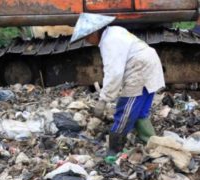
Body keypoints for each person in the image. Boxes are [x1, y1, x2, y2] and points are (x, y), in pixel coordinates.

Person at [70, 13, 165, 156]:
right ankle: (152, 143)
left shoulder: (109, 41)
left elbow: (114, 73)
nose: (88, 41)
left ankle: (114, 149)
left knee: (125, 109)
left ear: (95, 31)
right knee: (140, 110)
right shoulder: (114, 31)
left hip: (139, 68)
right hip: (148, 64)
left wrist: (103, 100)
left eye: (87, 37)